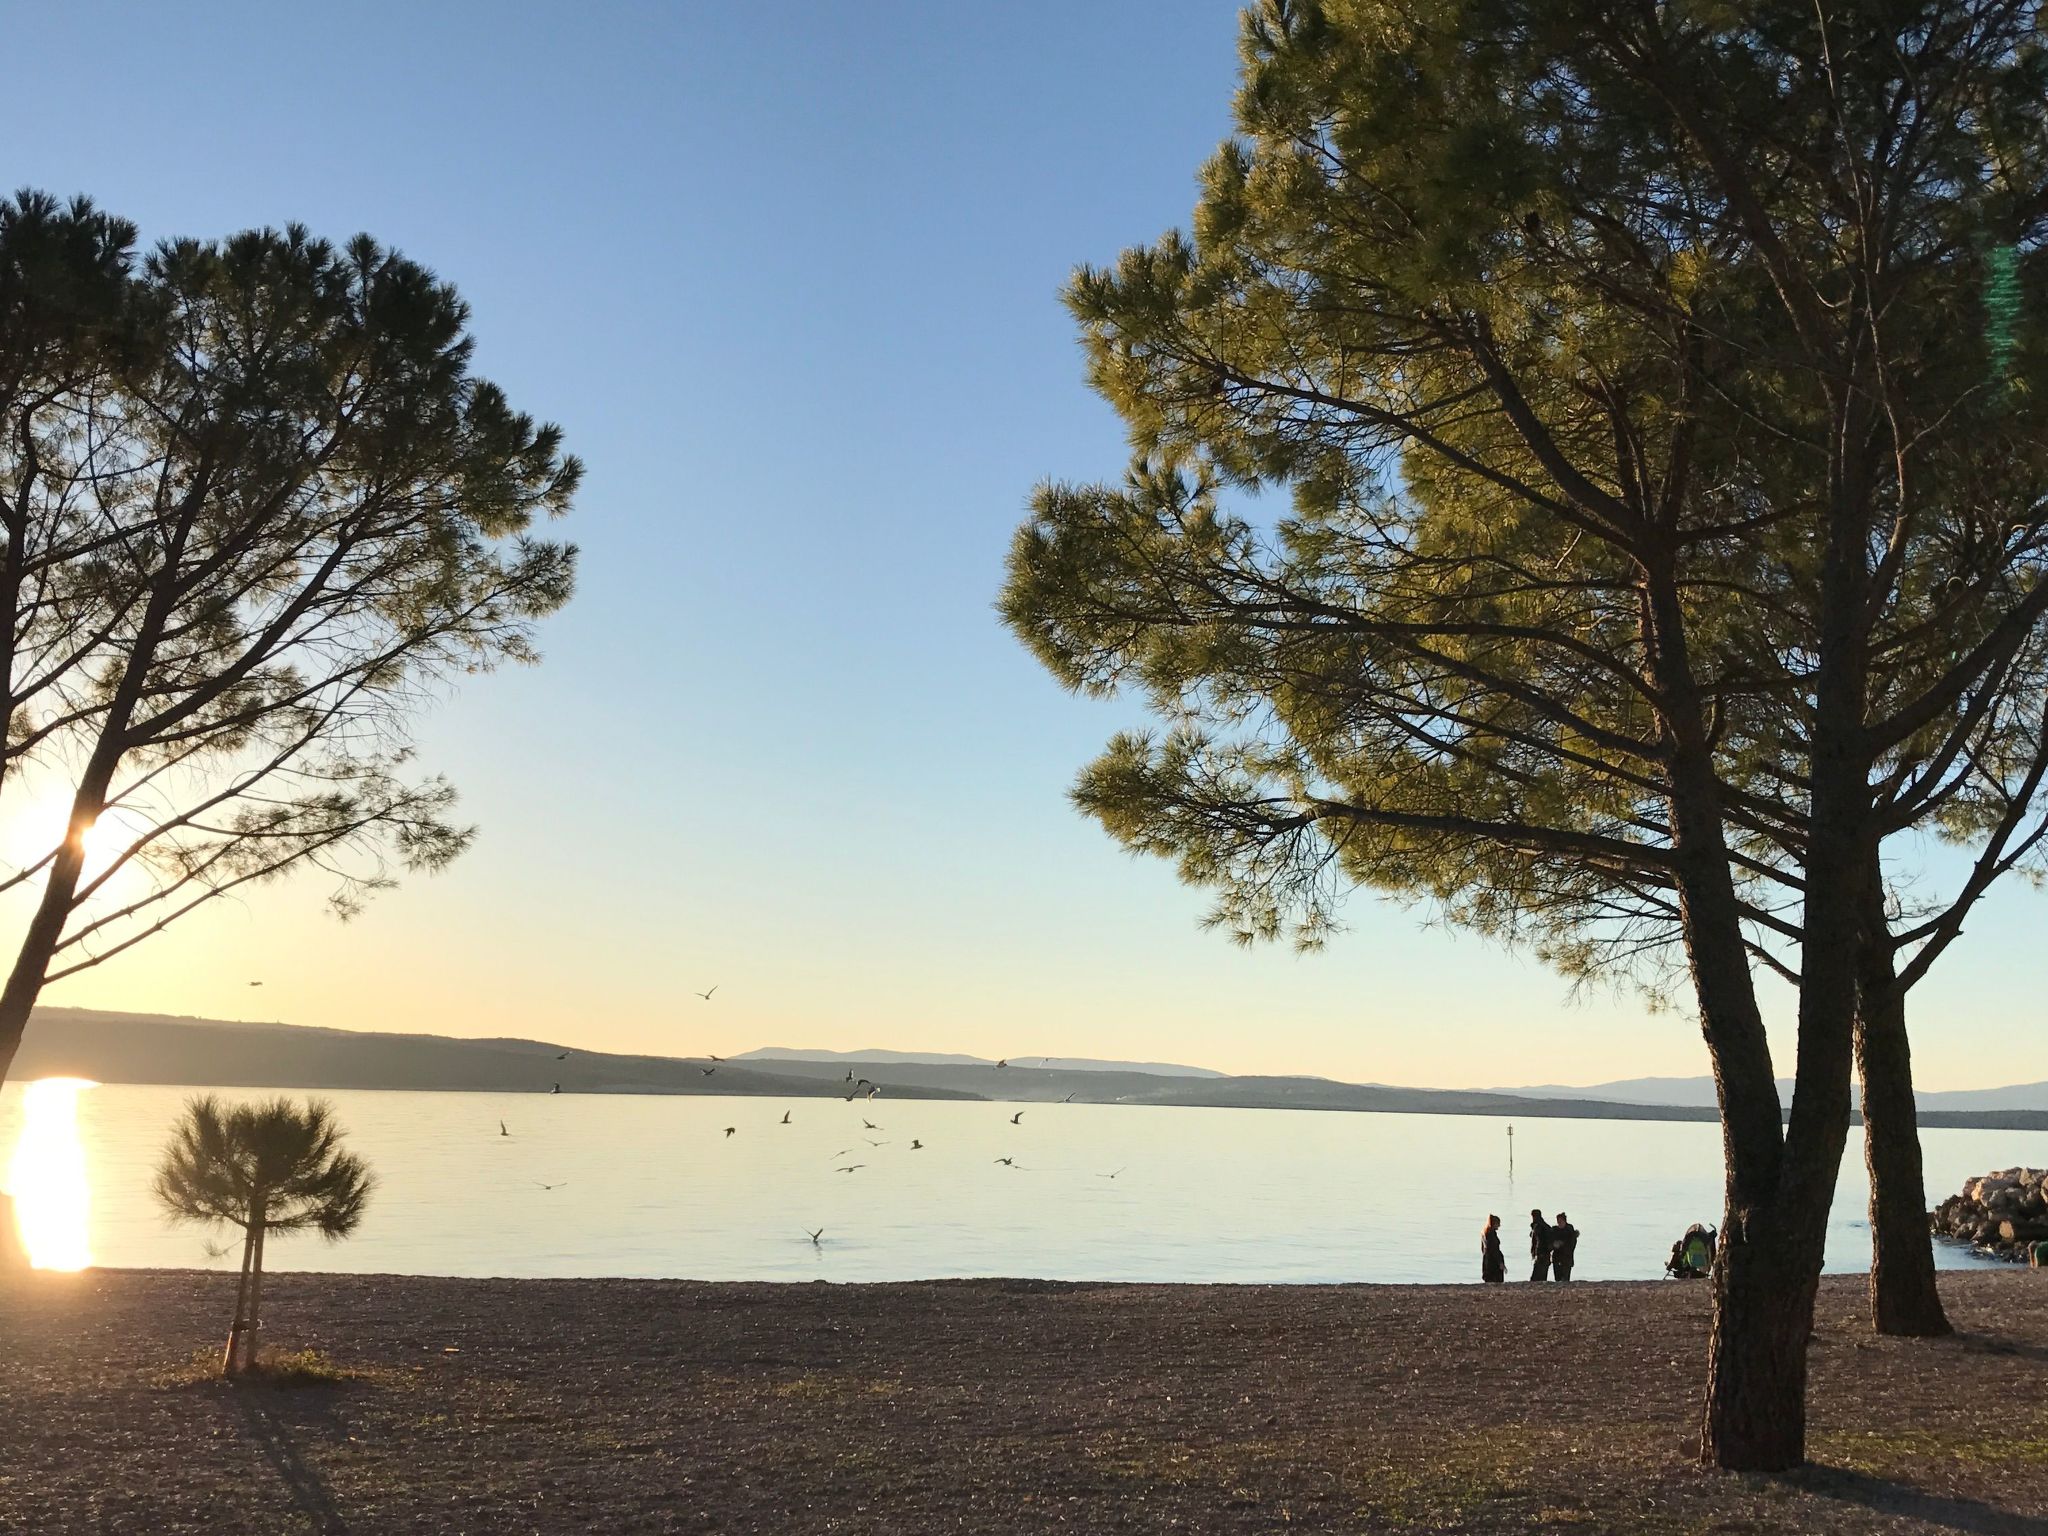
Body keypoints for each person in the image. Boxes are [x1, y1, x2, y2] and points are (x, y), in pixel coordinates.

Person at [1550, 1211, 1580, 1282]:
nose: (1559, 1223)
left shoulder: (1569, 1230)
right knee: (1557, 1278)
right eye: (1558, 1221)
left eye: (1560, 1221)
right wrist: (1554, 1245)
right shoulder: (1554, 1230)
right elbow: (1550, 1241)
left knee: (1565, 1279)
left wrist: (1562, 1244)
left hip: (1566, 1259)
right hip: (1556, 1258)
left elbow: (1571, 1245)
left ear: (1564, 1221)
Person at [1528, 1207, 1553, 1282]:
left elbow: (1538, 1241)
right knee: (1542, 1276)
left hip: (1542, 1254)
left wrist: (1535, 1252)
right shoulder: (1544, 1226)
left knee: (1536, 1277)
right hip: (1545, 1254)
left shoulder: (1538, 1226)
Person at [1481, 1214, 1506, 1283]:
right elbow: (1495, 1250)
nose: (1499, 1225)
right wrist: (1500, 1262)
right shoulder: (1491, 1234)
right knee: (1496, 1280)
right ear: (1494, 1223)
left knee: (1489, 1279)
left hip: (1487, 1259)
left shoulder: (1484, 1233)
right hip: (1493, 1261)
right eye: (1498, 1223)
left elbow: (1483, 1248)